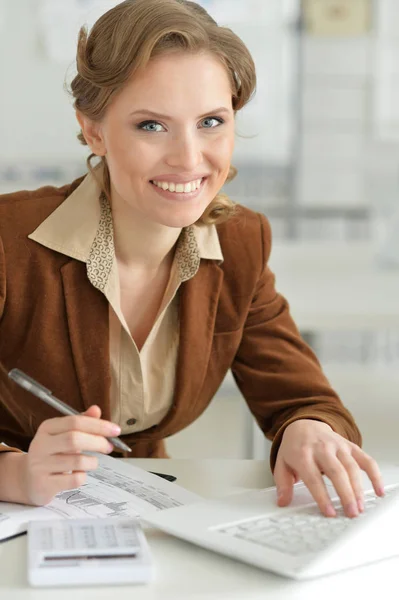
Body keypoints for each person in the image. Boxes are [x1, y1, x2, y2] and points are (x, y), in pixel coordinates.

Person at [0, 0, 383, 517]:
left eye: (210, 121)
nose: (188, 157)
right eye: (151, 126)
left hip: (142, 510)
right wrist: (17, 473)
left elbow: (298, 395)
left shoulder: (242, 242)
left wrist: (308, 430)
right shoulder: (9, 241)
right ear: (93, 129)